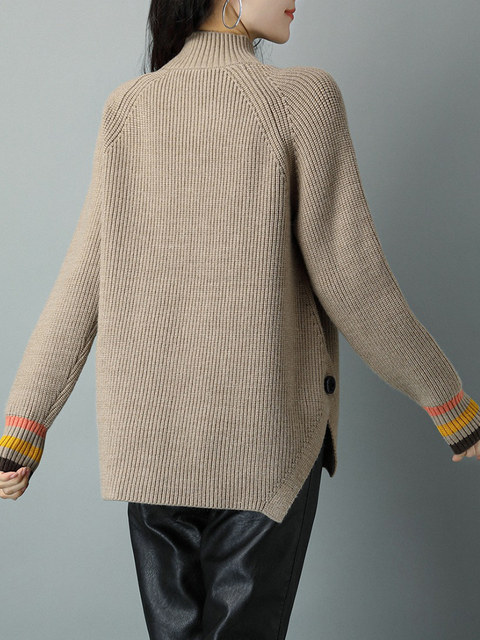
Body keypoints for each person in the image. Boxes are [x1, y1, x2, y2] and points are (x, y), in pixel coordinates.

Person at [1, 0, 479, 638]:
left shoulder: (128, 107)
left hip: (150, 450)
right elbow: (353, 280)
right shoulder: (301, 99)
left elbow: (81, 280)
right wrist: (451, 405)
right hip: (262, 445)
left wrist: (22, 428)